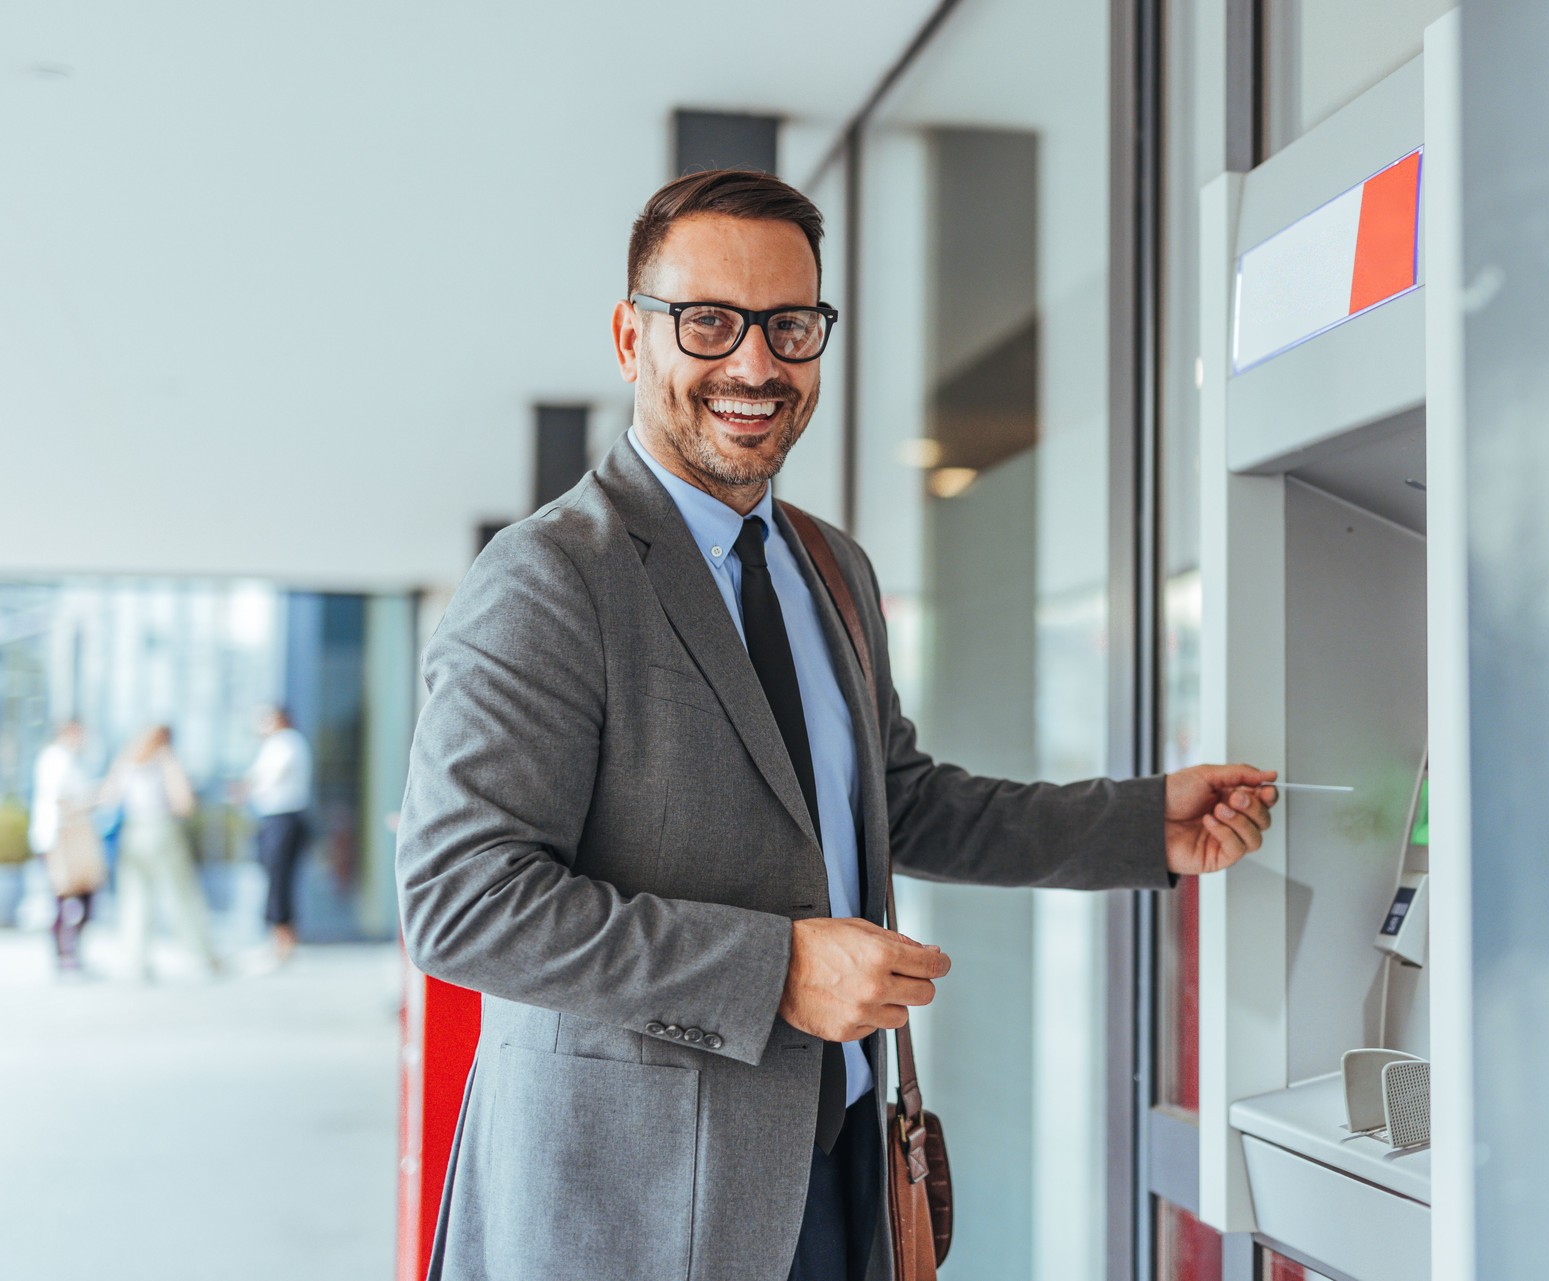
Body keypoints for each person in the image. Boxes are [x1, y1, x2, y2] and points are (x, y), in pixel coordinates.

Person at [396, 169, 1279, 1281]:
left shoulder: (831, 567)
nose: (756, 365)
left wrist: (1144, 824)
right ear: (631, 337)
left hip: (841, 1171)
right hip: (630, 1208)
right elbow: (462, 904)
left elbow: (896, 804)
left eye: (790, 325)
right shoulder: (551, 577)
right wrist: (771, 971)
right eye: (708, 322)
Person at [101, 725, 220, 980]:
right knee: (181, 896)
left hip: (133, 833)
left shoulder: (126, 760)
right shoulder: (165, 760)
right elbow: (184, 804)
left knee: (135, 898)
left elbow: (108, 798)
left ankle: (137, 960)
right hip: (161, 830)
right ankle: (201, 955)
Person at [236, 706, 312, 965]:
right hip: (275, 818)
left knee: (279, 879)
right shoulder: (277, 744)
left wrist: (245, 790)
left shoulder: (287, 742)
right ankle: (278, 939)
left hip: (284, 818)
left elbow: (267, 778)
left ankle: (283, 941)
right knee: (275, 878)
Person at [30, 720, 105, 974]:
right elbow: (62, 799)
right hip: (60, 840)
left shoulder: (68, 759)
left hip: (68, 838)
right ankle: (64, 955)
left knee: (80, 898)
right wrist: (92, 799)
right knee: (63, 899)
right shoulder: (55, 759)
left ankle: (69, 953)